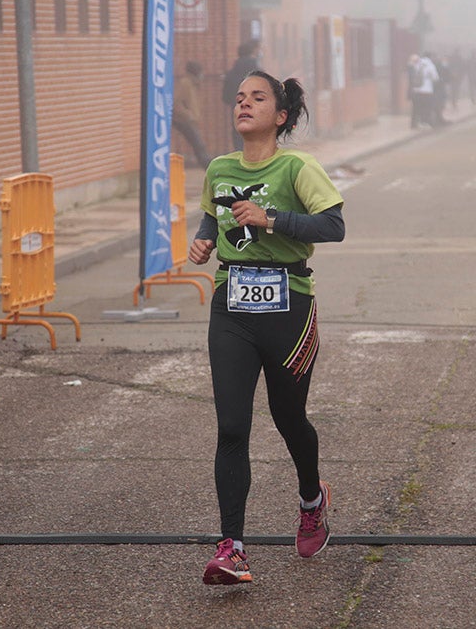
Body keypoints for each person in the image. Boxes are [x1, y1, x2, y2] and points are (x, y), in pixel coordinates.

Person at [189, 70, 346, 586]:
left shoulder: (297, 166)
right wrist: (205, 240)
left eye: (257, 98)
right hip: (230, 306)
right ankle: (231, 548)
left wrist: (271, 218)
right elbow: (214, 214)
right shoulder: (219, 167)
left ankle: (311, 497)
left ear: (280, 116)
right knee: (232, 427)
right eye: (238, 97)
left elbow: (333, 225)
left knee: (288, 417)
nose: (244, 104)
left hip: (288, 308)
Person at [172, 61, 212, 169]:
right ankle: (210, 169)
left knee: (199, 146)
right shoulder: (185, 83)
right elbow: (176, 102)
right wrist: (188, 114)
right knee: (199, 145)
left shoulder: (193, 84)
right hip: (184, 120)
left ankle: (209, 168)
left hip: (189, 120)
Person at [222, 40, 261, 150]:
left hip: (237, 107)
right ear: (252, 52)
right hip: (256, 107)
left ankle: (241, 158)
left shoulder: (231, 73)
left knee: (238, 132)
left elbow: (225, 97)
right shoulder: (257, 70)